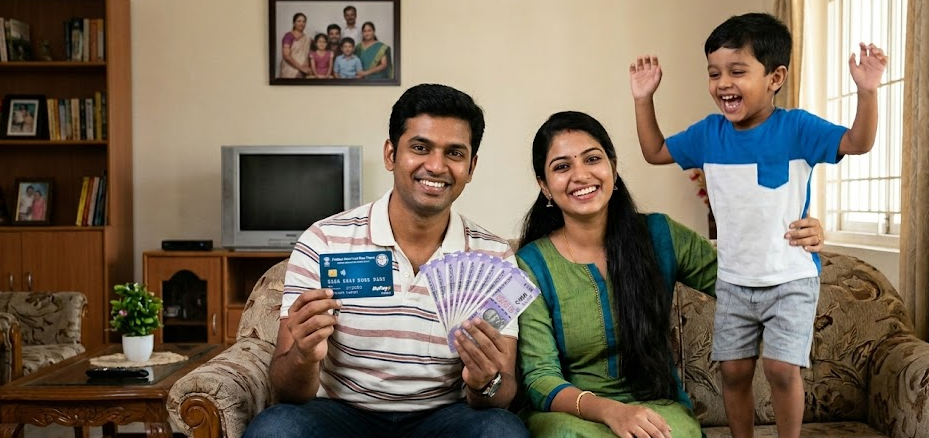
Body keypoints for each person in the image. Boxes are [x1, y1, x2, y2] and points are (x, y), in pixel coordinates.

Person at [629, 13, 886, 438]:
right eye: (714, 73)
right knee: (732, 370)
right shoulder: (709, 134)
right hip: (734, 281)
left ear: (775, 77)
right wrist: (643, 99)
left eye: (737, 71)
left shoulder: (797, 128)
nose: (723, 83)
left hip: (790, 277)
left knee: (782, 369)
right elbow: (654, 150)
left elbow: (857, 142)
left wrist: (867, 92)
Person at [242, 84, 528, 438]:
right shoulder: (324, 241)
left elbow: (502, 395)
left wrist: (486, 381)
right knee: (276, 429)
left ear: (471, 167)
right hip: (340, 414)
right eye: (420, 148)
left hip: (445, 418)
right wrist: (302, 355)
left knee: (503, 431)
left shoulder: (494, 256)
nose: (436, 166)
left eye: (454, 153)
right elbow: (287, 392)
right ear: (391, 154)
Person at [516, 111, 826, 438]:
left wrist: (798, 240)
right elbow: (540, 378)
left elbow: (744, 282)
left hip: (654, 406)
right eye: (562, 166)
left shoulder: (660, 236)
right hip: (572, 414)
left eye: (592, 159)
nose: (580, 174)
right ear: (545, 187)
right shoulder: (531, 265)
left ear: (613, 167)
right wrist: (612, 411)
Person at [279, 12, 313, 78]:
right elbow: (286, 56)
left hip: (303, 72)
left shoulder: (307, 38)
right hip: (289, 71)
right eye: (299, 21)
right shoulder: (288, 36)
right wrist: (301, 68)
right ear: (294, 23)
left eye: (304, 21)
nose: (301, 23)